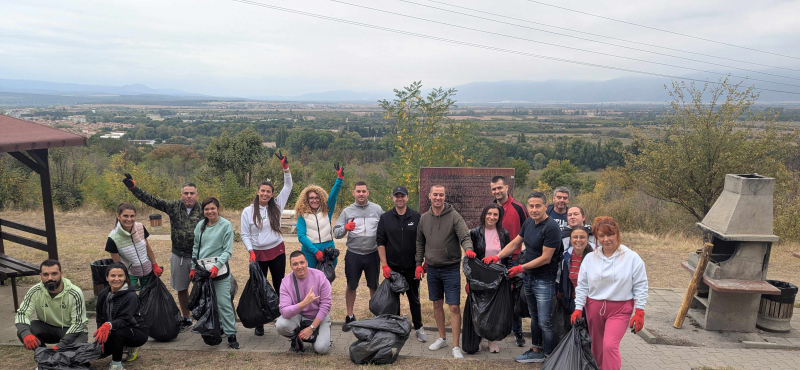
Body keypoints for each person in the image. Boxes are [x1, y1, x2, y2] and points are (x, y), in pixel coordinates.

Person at [486, 192, 561, 363]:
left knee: (545, 320)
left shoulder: (551, 227)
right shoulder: (528, 222)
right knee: (534, 317)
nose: (534, 209)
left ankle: (550, 356)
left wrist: (520, 267)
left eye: (538, 206)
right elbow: (515, 243)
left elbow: (546, 258)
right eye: (531, 206)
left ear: (545, 206)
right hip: (529, 278)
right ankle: (536, 350)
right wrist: (497, 257)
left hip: (544, 280)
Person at [123, 173, 201, 331]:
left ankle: (202, 318)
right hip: (178, 255)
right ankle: (186, 318)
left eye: (192, 193)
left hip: (199, 258)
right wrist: (133, 188)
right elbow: (151, 200)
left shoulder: (204, 209)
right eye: (185, 193)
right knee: (181, 288)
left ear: (197, 195)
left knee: (202, 289)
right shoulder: (173, 206)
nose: (189, 196)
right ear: (181, 195)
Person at [571, 217, 648, 370]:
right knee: (597, 349)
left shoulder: (632, 257)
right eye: (601, 236)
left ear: (617, 234)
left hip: (620, 308)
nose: (606, 239)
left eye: (610, 234)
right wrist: (578, 308)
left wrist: (640, 310)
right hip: (594, 307)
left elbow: (640, 284)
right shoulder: (590, 258)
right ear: (596, 237)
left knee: (609, 346)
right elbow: (582, 285)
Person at [415, 184, 473, 359]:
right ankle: (442, 338)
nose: (438, 198)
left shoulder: (454, 216)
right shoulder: (424, 218)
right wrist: (419, 263)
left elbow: (464, 235)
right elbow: (419, 242)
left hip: (451, 268)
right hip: (432, 269)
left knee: (454, 306)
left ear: (445, 196)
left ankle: (456, 346)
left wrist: (468, 249)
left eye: (441, 195)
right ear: (430, 196)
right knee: (436, 304)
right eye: (435, 195)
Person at [240, 151, 292, 336]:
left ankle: (281, 316)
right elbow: (244, 234)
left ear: (271, 194)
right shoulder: (247, 211)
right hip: (258, 254)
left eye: (268, 191)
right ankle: (260, 321)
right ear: (258, 192)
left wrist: (285, 168)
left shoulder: (277, 205)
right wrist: (250, 251)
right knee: (259, 287)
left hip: (277, 251)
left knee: (279, 284)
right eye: (262, 190)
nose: (265, 193)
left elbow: (288, 186)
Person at [376, 185, 427, 342]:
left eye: (402, 196)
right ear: (393, 198)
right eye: (397, 196)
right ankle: (396, 328)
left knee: (414, 299)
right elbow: (380, 242)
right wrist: (384, 265)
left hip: (412, 267)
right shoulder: (385, 218)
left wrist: (421, 263)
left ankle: (418, 327)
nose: (399, 198)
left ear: (407, 198)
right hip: (393, 267)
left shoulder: (416, 217)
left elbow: (422, 241)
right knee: (393, 300)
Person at [332, 181, 383, 331]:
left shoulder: (377, 209)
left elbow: (385, 229)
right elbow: (336, 232)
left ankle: (375, 317)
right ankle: (349, 316)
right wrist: (345, 228)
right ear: (353, 193)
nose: (361, 194)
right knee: (351, 285)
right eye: (358, 191)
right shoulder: (347, 211)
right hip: (353, 254)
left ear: (368, 193)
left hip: (372, 254)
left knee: (373, 286)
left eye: (364, 191)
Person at [190, 197, 239, 349]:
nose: (210, 211)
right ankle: (213, 328)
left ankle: (231, 334)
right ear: (203, 211)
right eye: (206, 209)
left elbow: (227, 251)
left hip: (219, 271)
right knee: (206, 302)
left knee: (223, 303)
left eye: (213, 208)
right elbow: (196, 247)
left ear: (218, 209)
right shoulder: (201, 225)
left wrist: (217, 266)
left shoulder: (226, 225)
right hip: (203, 270)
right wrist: (193, 267)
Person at [467, 203, 511, 354]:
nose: (492, 217)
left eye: (495, 214)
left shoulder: (504, 233)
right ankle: (478, 338)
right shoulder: (475, 233)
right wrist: (469, 281)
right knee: (479, 309)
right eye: (489, 214)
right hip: (480, 277)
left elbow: (508, 256)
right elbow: (470, 259)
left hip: (498, 278)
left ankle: (492, 340)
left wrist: (509, 277)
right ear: (484, 214)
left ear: (499, 217)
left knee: (494, 311)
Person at [16, 260, 88, 352]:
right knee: (24, 330)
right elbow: (22, 313)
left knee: (76, 347)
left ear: (61, 274)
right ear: (40, 275)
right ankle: (43, 355)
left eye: (54, 274)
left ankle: (62, 357)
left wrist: (60, 346)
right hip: (47, 328)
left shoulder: (75, 292)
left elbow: (78, 323)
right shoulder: (35, 291)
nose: (50, 278)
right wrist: (26, 334)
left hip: (70, 330)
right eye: (45, 274)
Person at [490, 175, 528, 347]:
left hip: (513, 260)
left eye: (499, 188)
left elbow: (529, 229)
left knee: (514, 298)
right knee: (495, 296)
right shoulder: (491, 209)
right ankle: (495, 332)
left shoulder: (519, 207)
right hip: (495, 260)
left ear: (506, 187)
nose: (497, 191)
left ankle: (518, 333)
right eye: (494, 189)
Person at [275, 251, 333, 355]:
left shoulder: (320, 277)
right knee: (280, 325)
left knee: (321, 349)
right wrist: (304, 303)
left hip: (319, 316)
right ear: (291, 266)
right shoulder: (286, 282)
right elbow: (284, 311)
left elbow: (325, 306)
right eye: (295, 264)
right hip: (299, 317)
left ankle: (322, 334)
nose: (299, 266)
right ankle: (297, 337)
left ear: (307, 262)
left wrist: (311, 328)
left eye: (302, 262)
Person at [94, 263, 149, 370]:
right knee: (99, 351)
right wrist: (100, 336)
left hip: (136, 331)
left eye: (120, 275)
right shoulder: (102, 294)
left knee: (116, 334)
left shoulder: (131, 296)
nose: (116, 279)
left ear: (125, 277)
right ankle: (123, 347)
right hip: (112, 329)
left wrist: (109, 325)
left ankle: (116, 364)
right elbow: (100, 317)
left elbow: (125, 319)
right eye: (113, 275)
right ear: (107, 277)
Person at [296, 163, 344, 269]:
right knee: (312, 280)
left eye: (317, 198)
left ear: (321, 198)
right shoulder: (302, 215)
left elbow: (333, 196)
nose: (314, 200)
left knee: (327, 280)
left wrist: (339, 179)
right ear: (307, 200)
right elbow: (301, 236)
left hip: (328, 250)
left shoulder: (327, 211)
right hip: (310, 252)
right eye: (311, 198)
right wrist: (315, 251)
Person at [106, 203, 162, 290]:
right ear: (118, 216)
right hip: (130, 273)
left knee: (148, 297)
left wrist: (155, 264)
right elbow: (118, 263)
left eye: (132, 216)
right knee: (130, 298)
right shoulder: (112, 238)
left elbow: (147, 247)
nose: (129, 219)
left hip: (147, 269)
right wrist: (124, 277)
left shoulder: (140, 227)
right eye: (125, 216)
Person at [557, 226, 594, 312]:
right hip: (575, 299)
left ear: (588, 239)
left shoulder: (596, 256)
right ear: (570, 240)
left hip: (594, 301)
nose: (578, 240)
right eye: (575, 237)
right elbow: (563, 276)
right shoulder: (566, 256)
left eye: (582, 237)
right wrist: (561, 293)